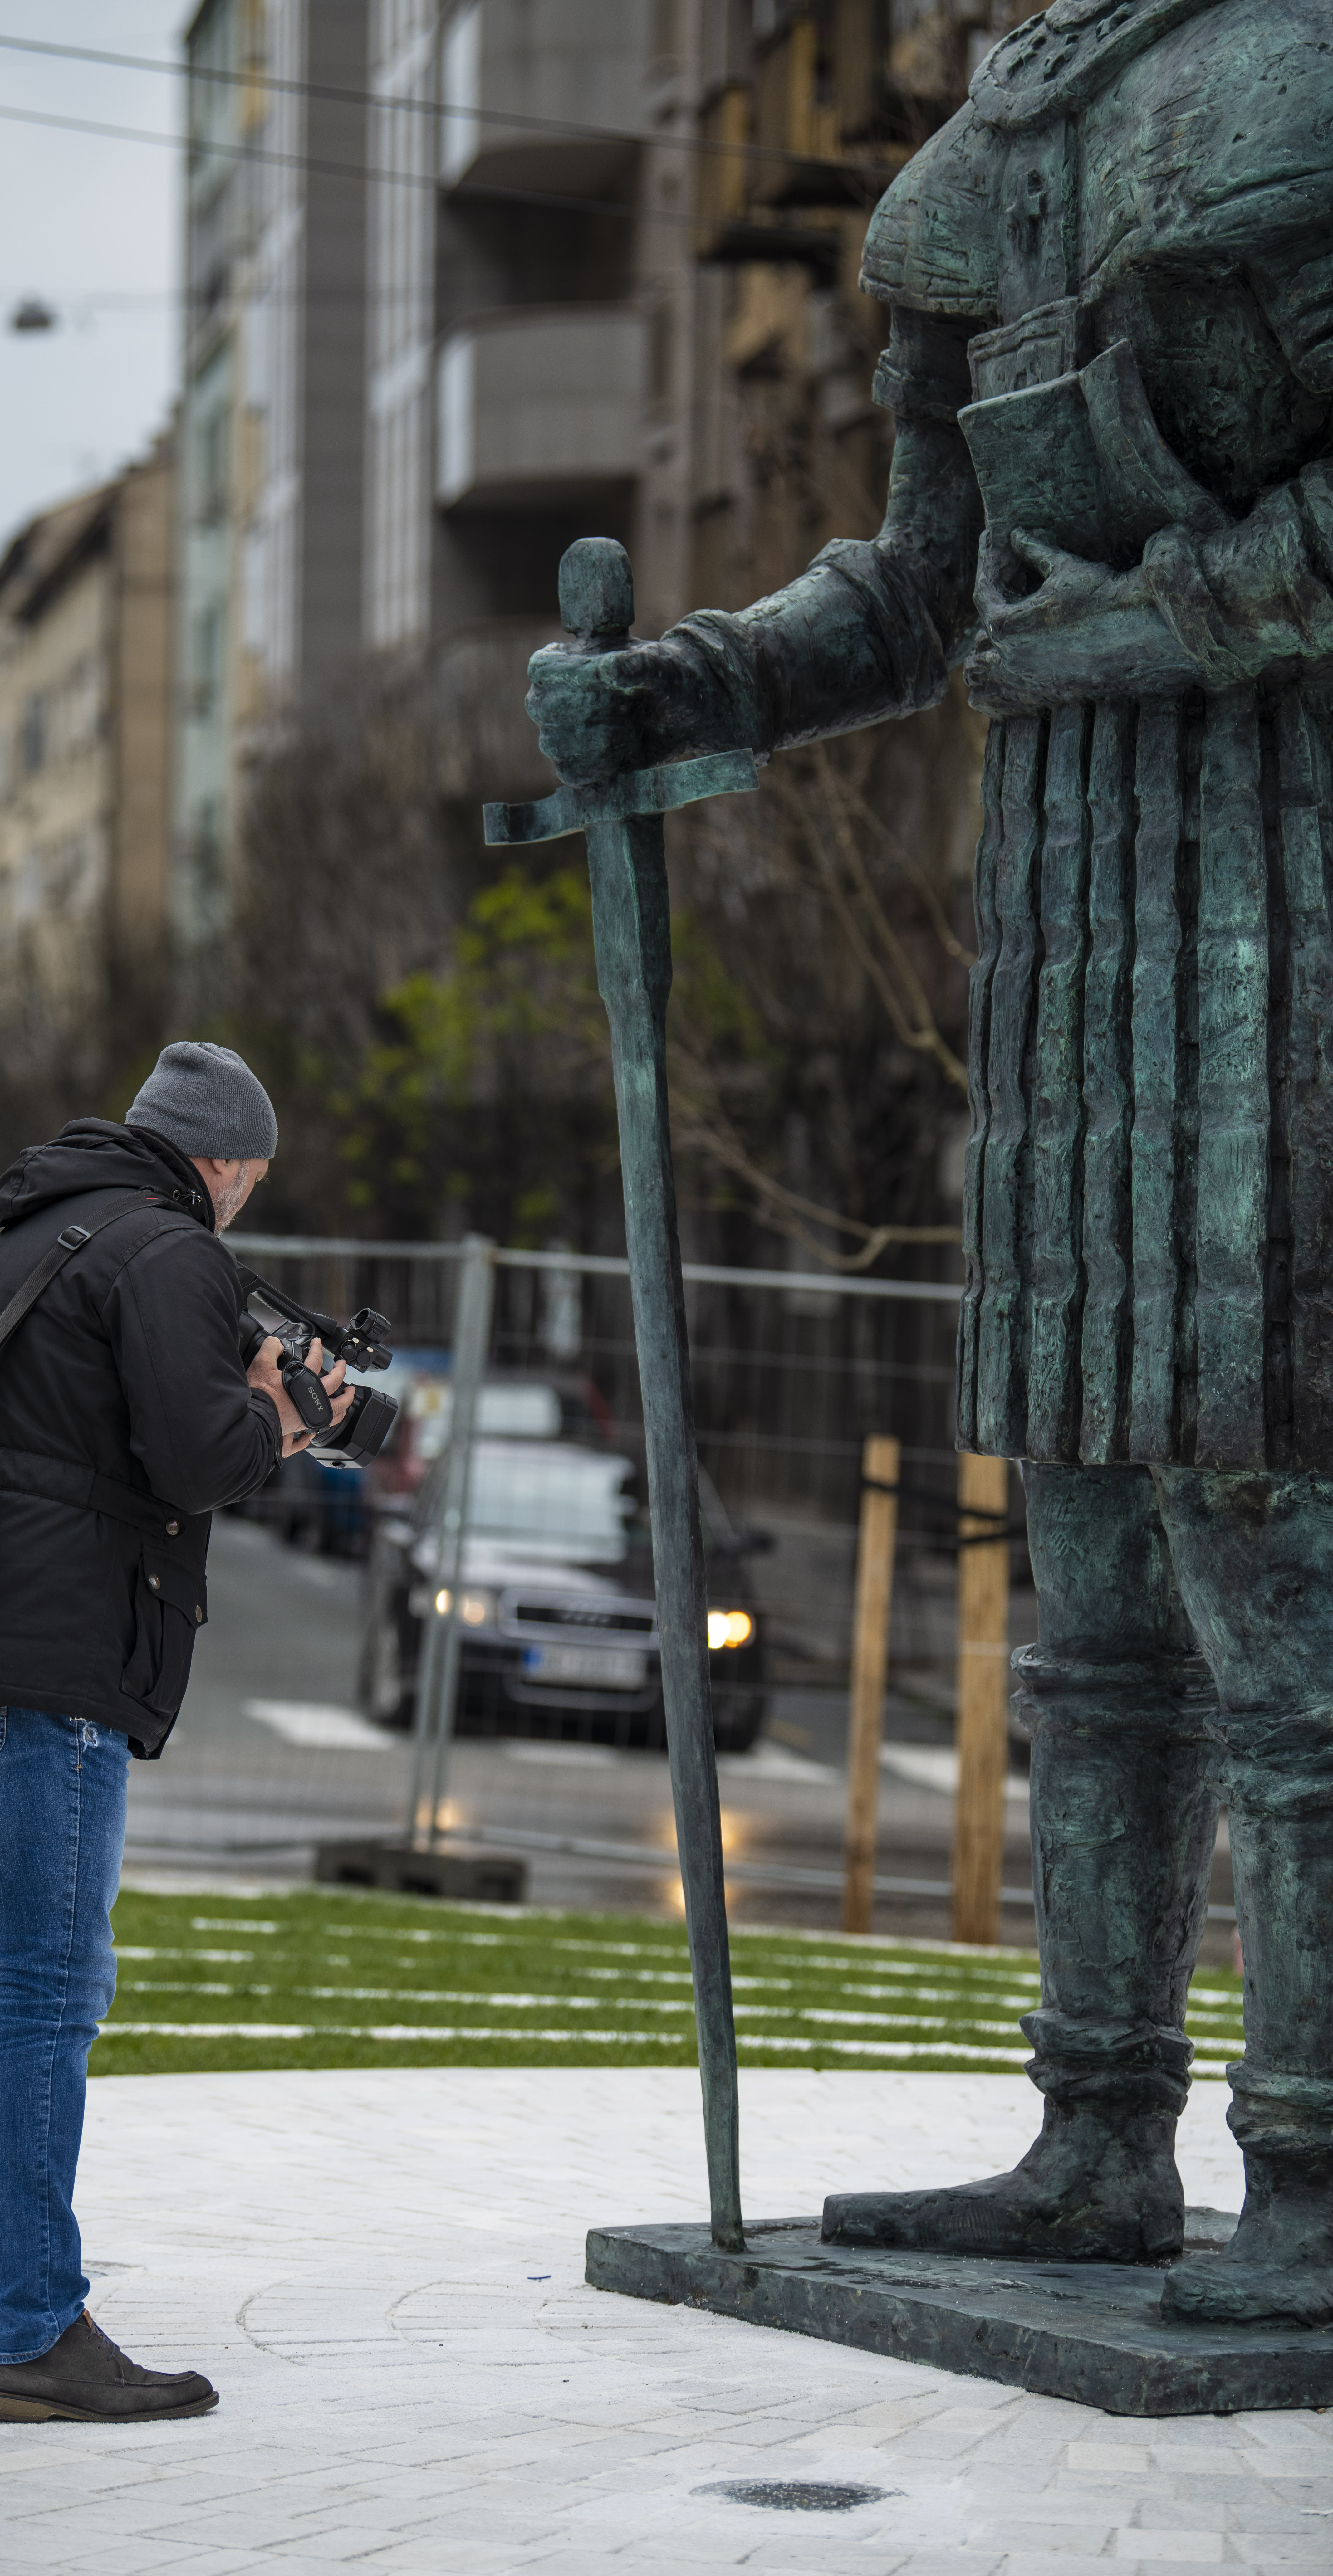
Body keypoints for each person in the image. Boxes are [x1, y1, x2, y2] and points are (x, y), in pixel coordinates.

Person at [527, 0, 1333, 2326]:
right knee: (1087, 1595)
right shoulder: (997, 126)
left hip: (1288, 917)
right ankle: (1097, 2136)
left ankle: (1311, 2173)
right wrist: (699, 684)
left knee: (1279, 1594)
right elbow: (918, 577)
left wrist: (1186, 614)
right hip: (1073, 952)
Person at [0, 1041, 352, 2422]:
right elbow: (197, 1458)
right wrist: (280, 1413)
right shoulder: (166, 1253)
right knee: (46, 1992)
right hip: (52, 1671)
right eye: (252, 1183)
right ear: (216, 1161)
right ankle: (38, 2335)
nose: (245, 1211)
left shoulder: (31, 1235)